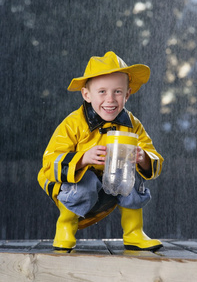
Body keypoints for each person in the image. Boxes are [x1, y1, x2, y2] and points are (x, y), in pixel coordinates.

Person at [38, 51, 164, 252]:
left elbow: (155, 157)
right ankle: (65, 228)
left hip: (113, 182)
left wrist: (144, 159)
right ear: (87, 95)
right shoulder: (73, 123)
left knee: (132, 175)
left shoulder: (132, 125)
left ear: (128, 94)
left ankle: (134, 233)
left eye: (118, 92)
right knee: (86, 181)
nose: (110, 99)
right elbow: (50, 160)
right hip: (77, 186)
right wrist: (82, 159)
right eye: (102, 91)